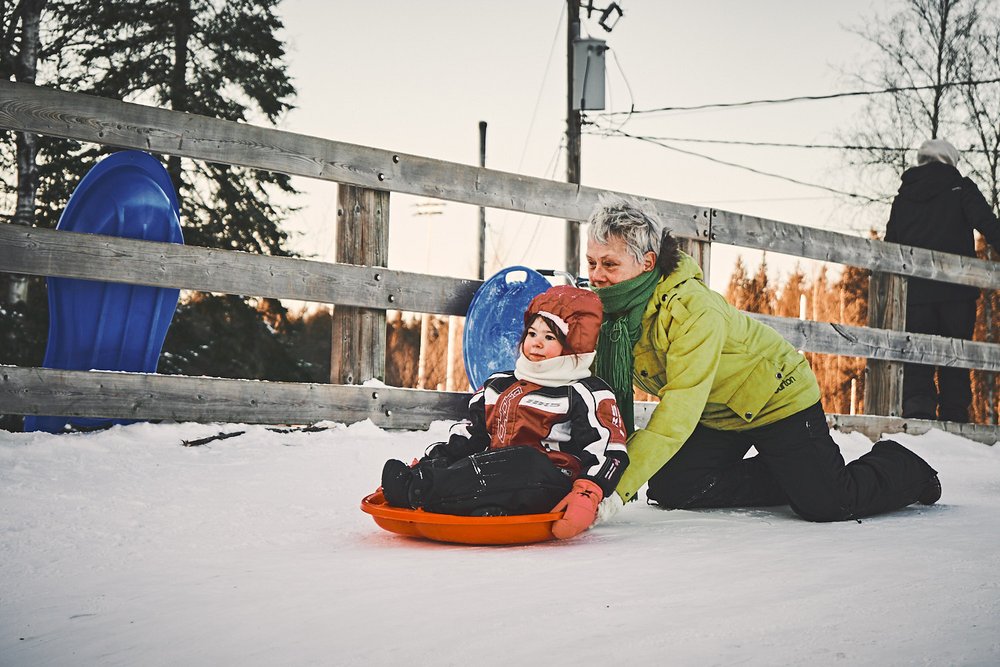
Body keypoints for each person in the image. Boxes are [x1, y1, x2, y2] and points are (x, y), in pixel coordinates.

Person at [585, 195, 941, 524]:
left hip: (776, 398)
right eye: (591, 262)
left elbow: (679, 407)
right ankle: (792, 473)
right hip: (721, 411)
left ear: (647, 263)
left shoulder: (692, 309)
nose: (597, 275)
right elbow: (586, 389)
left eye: (609, 264)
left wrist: (612, 488)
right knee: (674, 487)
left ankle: (904, 467)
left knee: (829, 503)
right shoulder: (612, 316)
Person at [380, 285, 629, 539]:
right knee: (476, 462)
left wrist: (586, 494)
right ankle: (464, 500)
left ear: (573, 346)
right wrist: (431, 461)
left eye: (550, 337)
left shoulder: (584, 392)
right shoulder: (498, 384)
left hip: (551, 482)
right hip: (493, 477)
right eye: (532, 333)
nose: (537, 343)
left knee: (525, 460)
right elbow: (470, 438)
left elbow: (610, 449)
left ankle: (418, 490)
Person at [885, 139, 1000, 422]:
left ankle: (918, 413)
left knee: (918, 355)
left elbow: (889, 246)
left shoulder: (904, 197)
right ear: (951, 160)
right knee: (956, 355)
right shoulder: (960, 187)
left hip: (914, 296)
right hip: (956, 294)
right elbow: (988, 224)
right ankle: (954, 417)